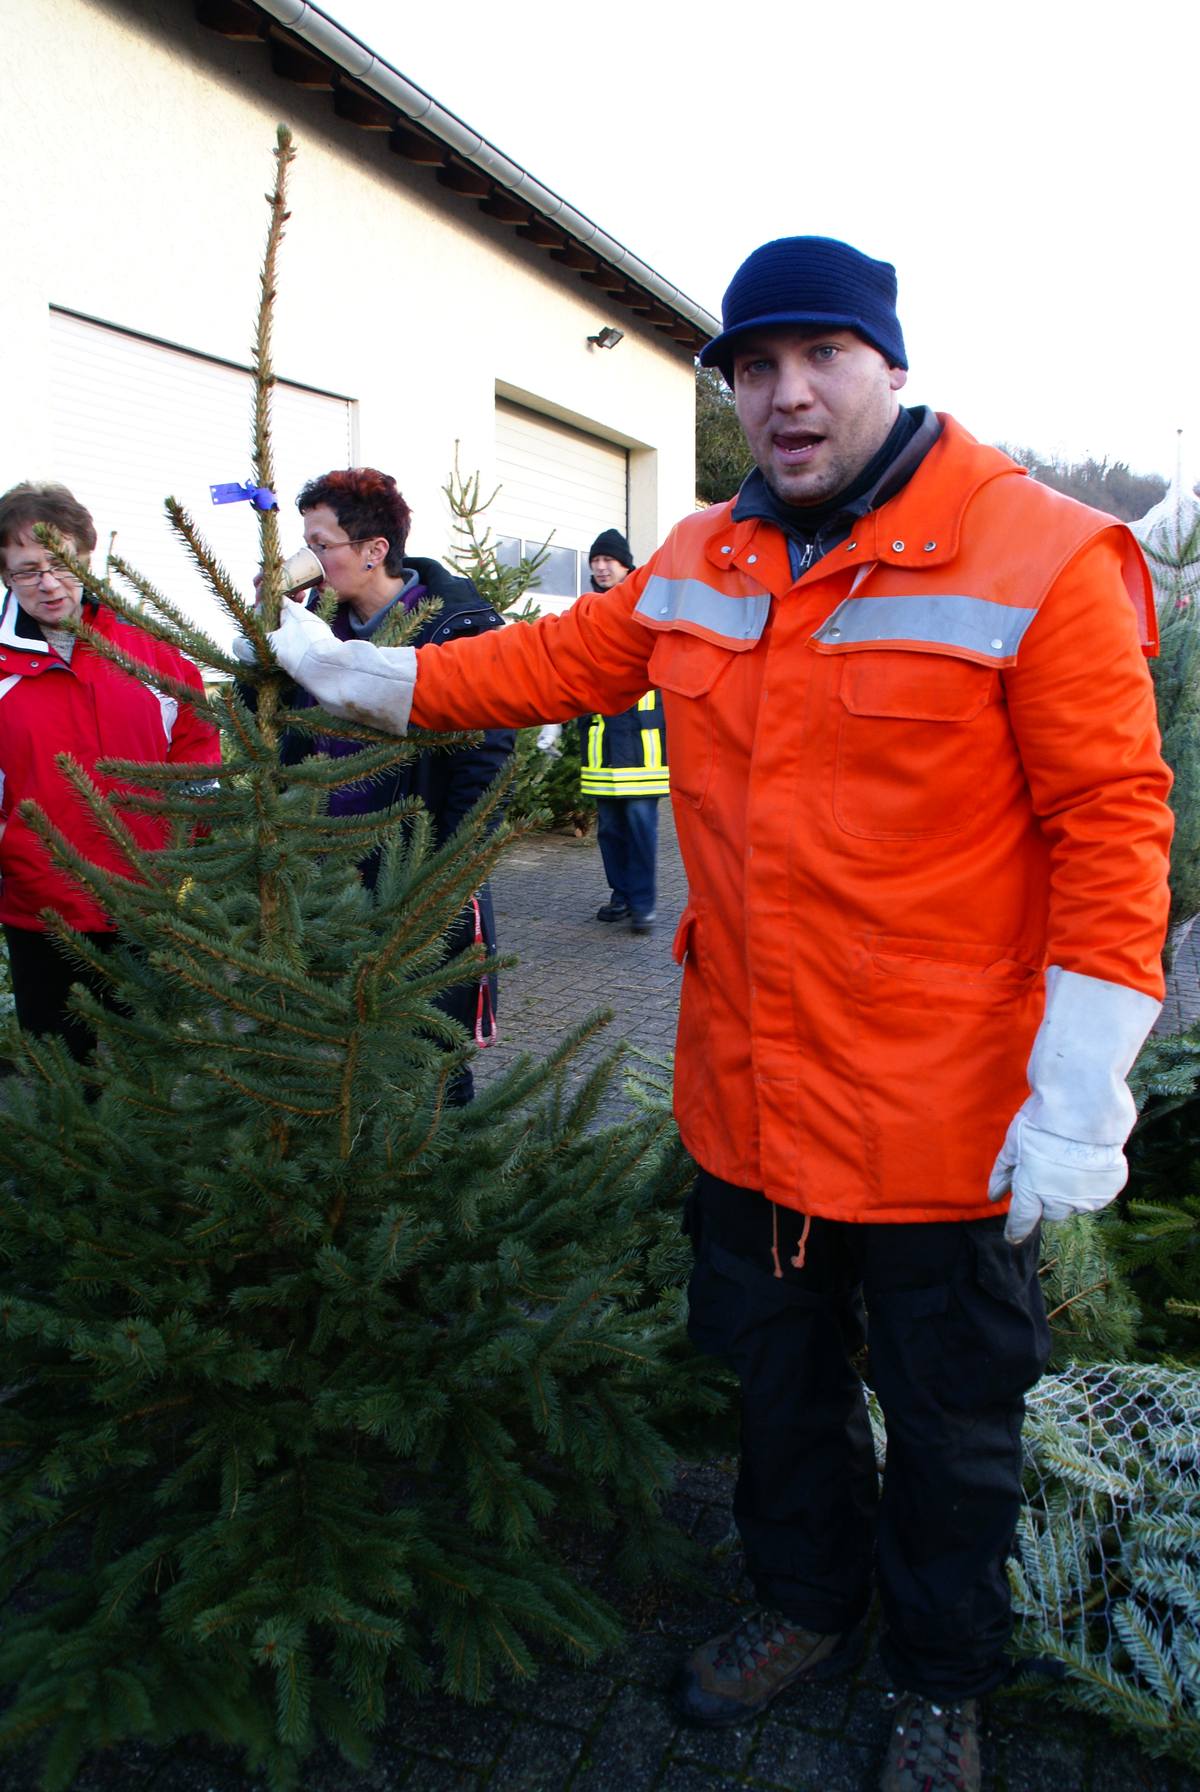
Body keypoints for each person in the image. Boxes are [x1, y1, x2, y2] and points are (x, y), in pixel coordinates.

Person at [264, 239, 1173, 1791]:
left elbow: (1111, 828)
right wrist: (382, 685)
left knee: (952, 1437)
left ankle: (939, 1681)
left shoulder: (1042, 554)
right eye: (756, 367)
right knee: (776, 1390)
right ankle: (805, 1604)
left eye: (821, 354)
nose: (788, 392)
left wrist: (1082, 1090)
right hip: (747, 1100)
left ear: (889, 363)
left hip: (948, 1127)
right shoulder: (704, 558)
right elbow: (559, 656)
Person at [279, 467, 513, 1105]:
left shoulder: (453, 628)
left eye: (321, 545)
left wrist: (443, 873)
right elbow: (278, 733)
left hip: (416, 878)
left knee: (430, 1056)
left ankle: (440, 1172)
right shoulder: (315, 634)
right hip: (329, 879)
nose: (308, 560)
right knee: (346, 1050)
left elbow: (484, 763)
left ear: (374, 550)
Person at [0, 481, 219, 1060]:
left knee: (146, 1077)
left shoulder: (151, 651)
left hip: (145, 904)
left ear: (86, 559)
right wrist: (14, 848)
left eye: (60, 562)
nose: (48, 583)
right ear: (6, 577)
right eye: (27, 570)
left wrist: (184, 846)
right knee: (65, 1080)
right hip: (43, 910)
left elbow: (198, 751)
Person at [578, 530, 668, 934]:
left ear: (625, 565)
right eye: (595, 561)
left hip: (642, 748)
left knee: (639, 828)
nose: (600, 567)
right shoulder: (586, 611)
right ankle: (622, 896)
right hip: (602, 747)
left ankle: (644, 905)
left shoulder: (646, 607)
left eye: (608, 561)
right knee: (611, 831)